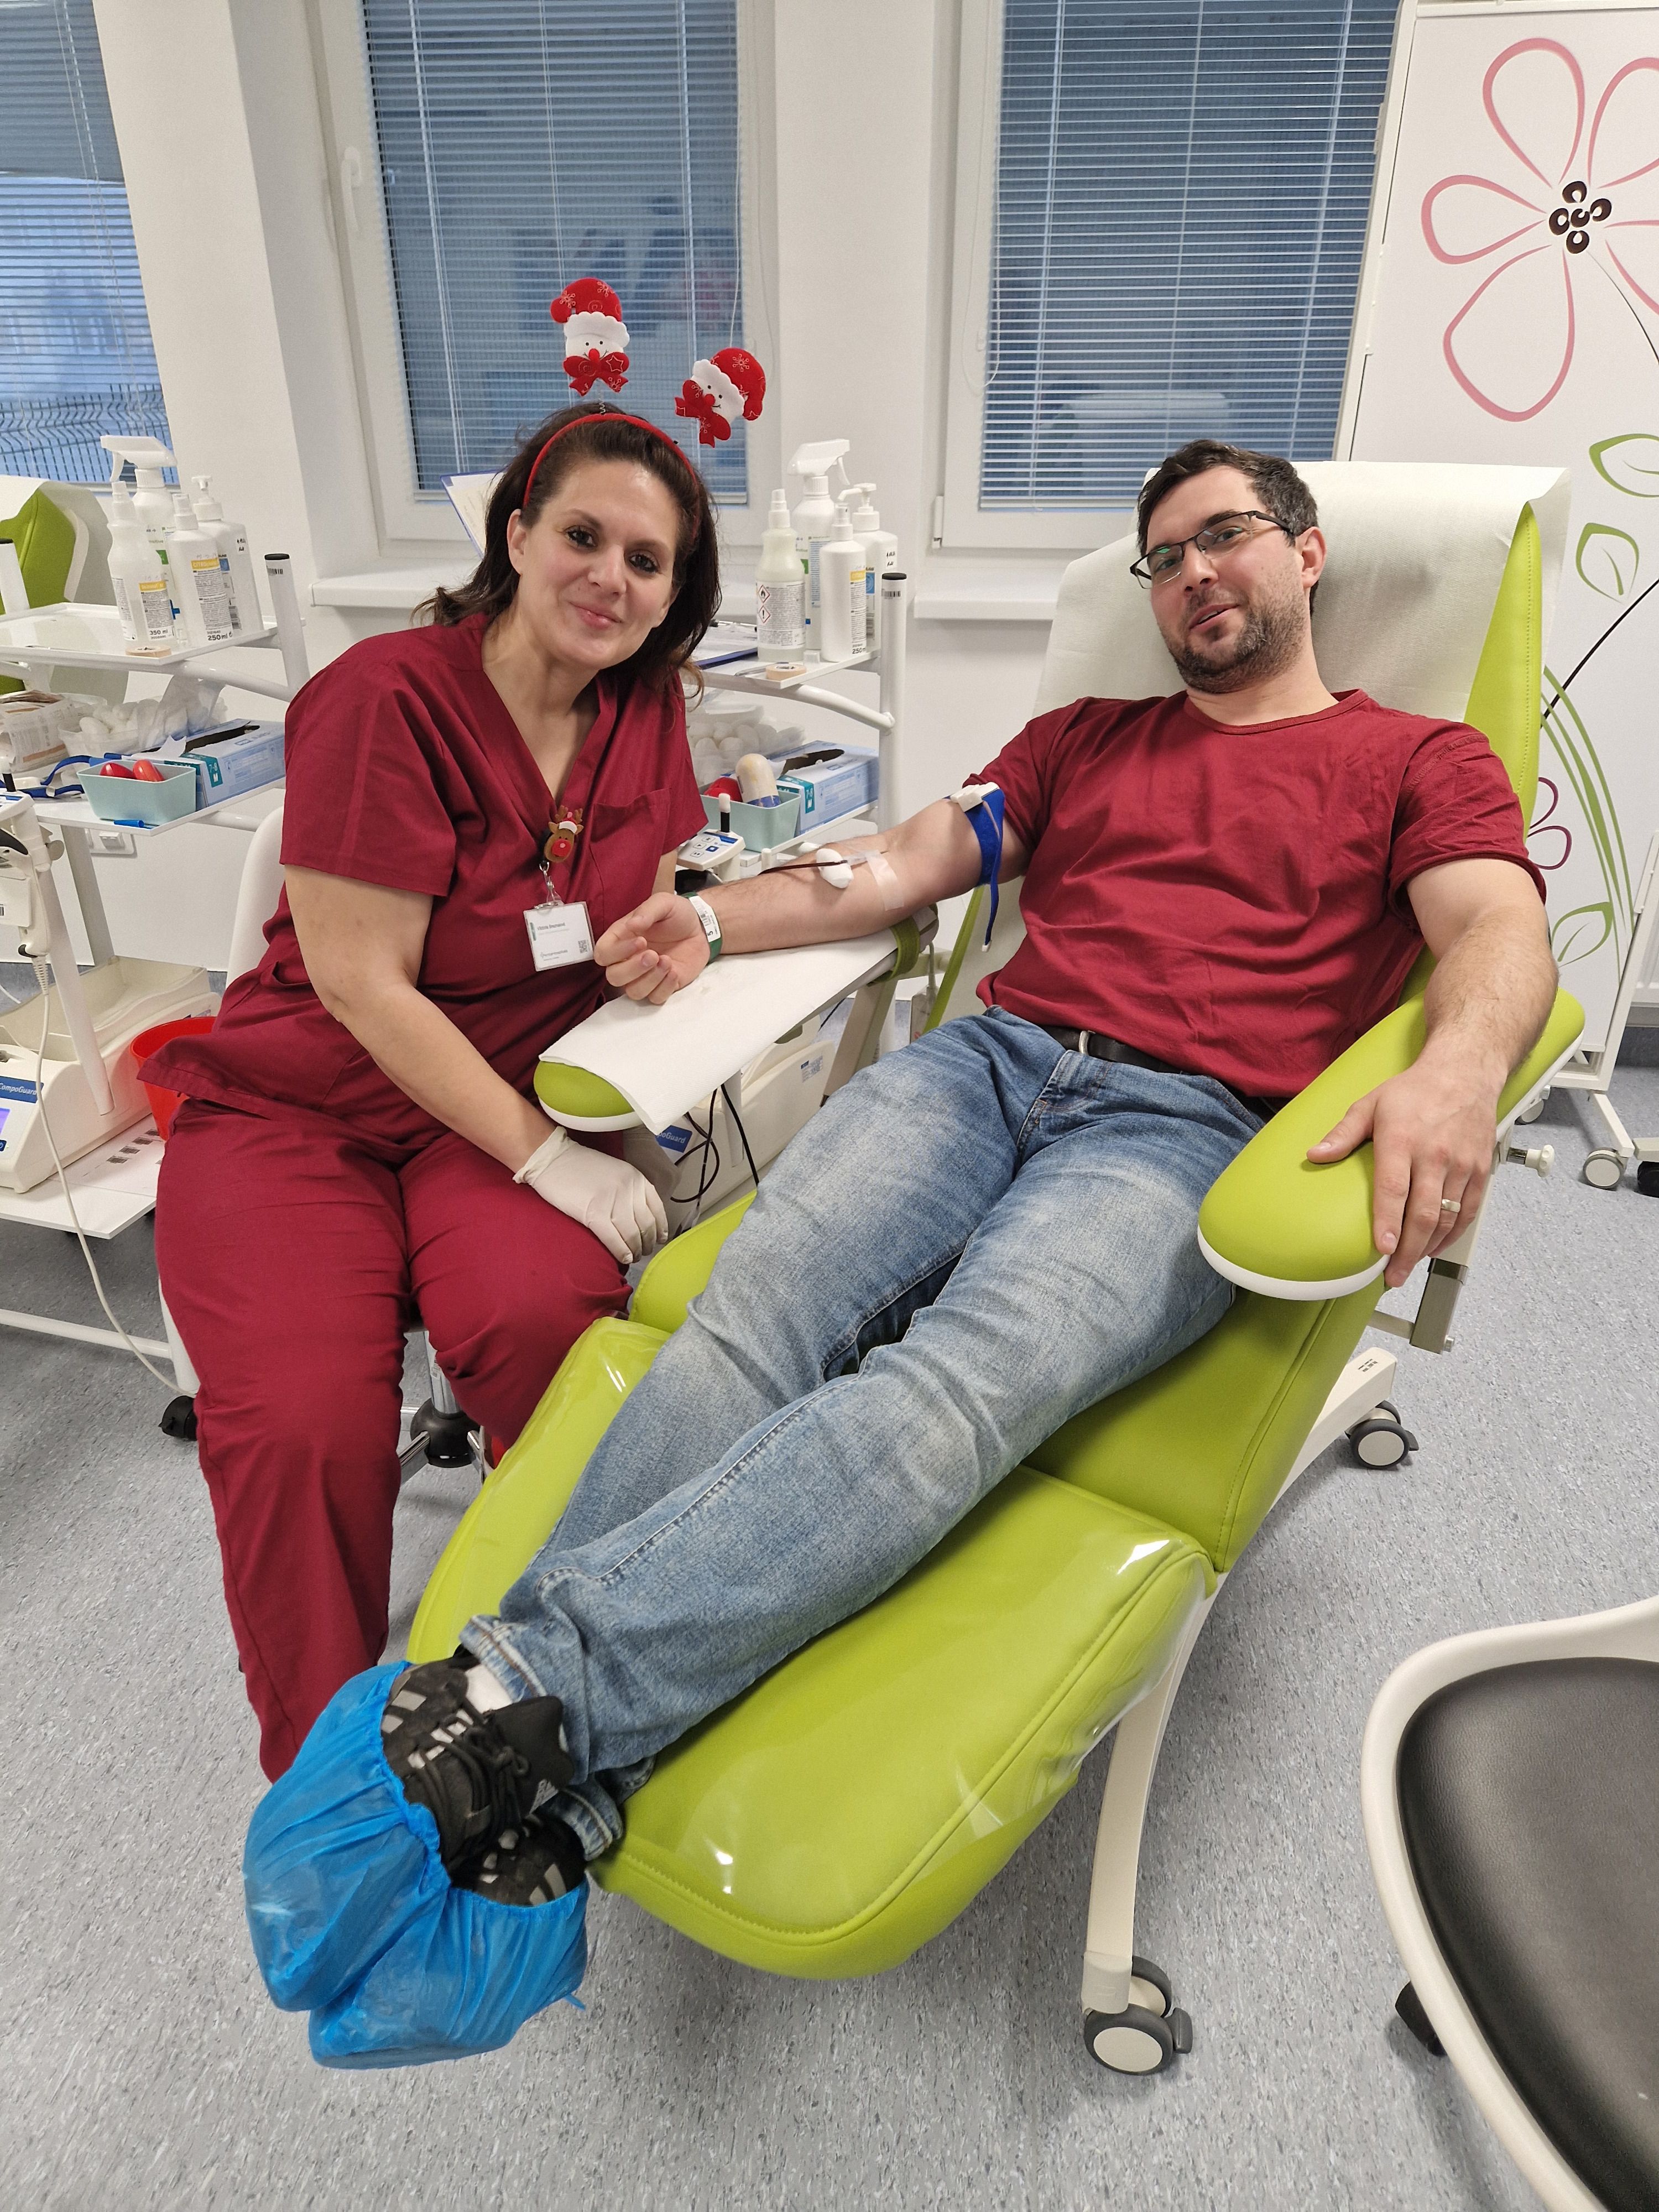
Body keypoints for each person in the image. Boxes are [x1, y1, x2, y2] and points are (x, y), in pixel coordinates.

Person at [244, 440, 1559, 2055]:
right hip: (986, 1067)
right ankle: (549, 1769)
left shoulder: (1415, 754)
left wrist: (1456, 1069)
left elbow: (1498, 927)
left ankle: (523, 1703)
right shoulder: (1086, 740)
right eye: (1163, 557)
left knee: (949, 1393)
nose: (1195, 574)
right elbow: (903, 864)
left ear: (1306, 553)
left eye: (1227, 537)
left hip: (1188, 1129)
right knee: (751, 1320)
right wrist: (716, 918)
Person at [150, 404, 713, 1780]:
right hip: (301, 1106)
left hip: (508, 1092)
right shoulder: (383, 699)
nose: (610, 578)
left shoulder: (647, 705)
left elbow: (644, 890)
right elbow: (362, 984)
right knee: (301, 1424)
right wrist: (551, 1160)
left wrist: (670, 935)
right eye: (582, 535)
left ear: (671, 595)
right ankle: (338, 1778)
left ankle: (559, 1682)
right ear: (516, 535)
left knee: (548, 1329)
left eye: (647, 561)